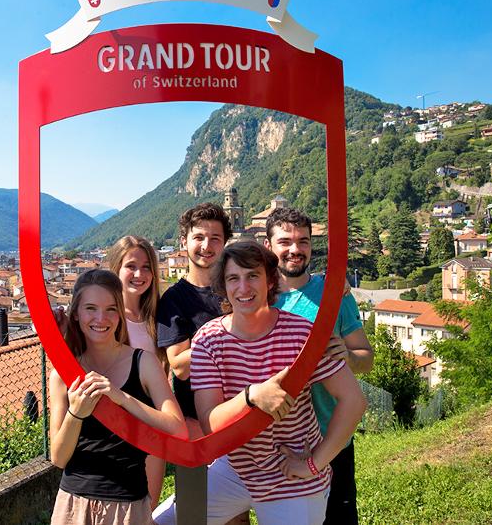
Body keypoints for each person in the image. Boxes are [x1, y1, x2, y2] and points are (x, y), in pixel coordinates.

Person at [191, 240, 366, 524]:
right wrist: (251, 396)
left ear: (271, 281)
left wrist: (314, 464)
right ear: (223, 286)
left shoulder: (301, 333)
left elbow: (354, 401)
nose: (243, 287)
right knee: (166, 520)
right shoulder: (208, 339)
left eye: (253, 276)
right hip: (234, 469)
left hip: (292, 476)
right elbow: (210, 422)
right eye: (233, 278)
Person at [49, 269, 186, 525]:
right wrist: (76, 413)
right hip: (74, 506)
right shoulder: (62, 375)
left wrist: (121, 397)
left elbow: (177, 428)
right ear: (76, 313)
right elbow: (58, 458)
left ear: (120, 314)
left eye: (111, 309)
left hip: (128, 506)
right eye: (91, 308)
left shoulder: (143, 363)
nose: (101, 318)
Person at [264, 207, 374, 525]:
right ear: (269, 246)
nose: (295, 249)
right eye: (285, 241)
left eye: (303, 241)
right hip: (276, 444)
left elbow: (366, 357)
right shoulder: (257, 298)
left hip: (332, 438)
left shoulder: (334, 292)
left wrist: (349, 357)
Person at [156, 202, 232, 429]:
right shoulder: (173, 299)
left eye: (215, 238)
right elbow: (180, 368)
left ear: (224, 243)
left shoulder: (237, 289)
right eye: (198, 237)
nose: (206, 246)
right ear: (184, 241)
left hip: (244, 416)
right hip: (197, 424)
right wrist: (230, 332)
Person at [107, 235, 166, 509]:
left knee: (148, 505)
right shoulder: (105, 320)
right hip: (114, 427)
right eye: (131, 266)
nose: (139, 274)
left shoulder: (158, 317)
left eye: (146, 267)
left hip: (151, 423)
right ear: (116, 268)